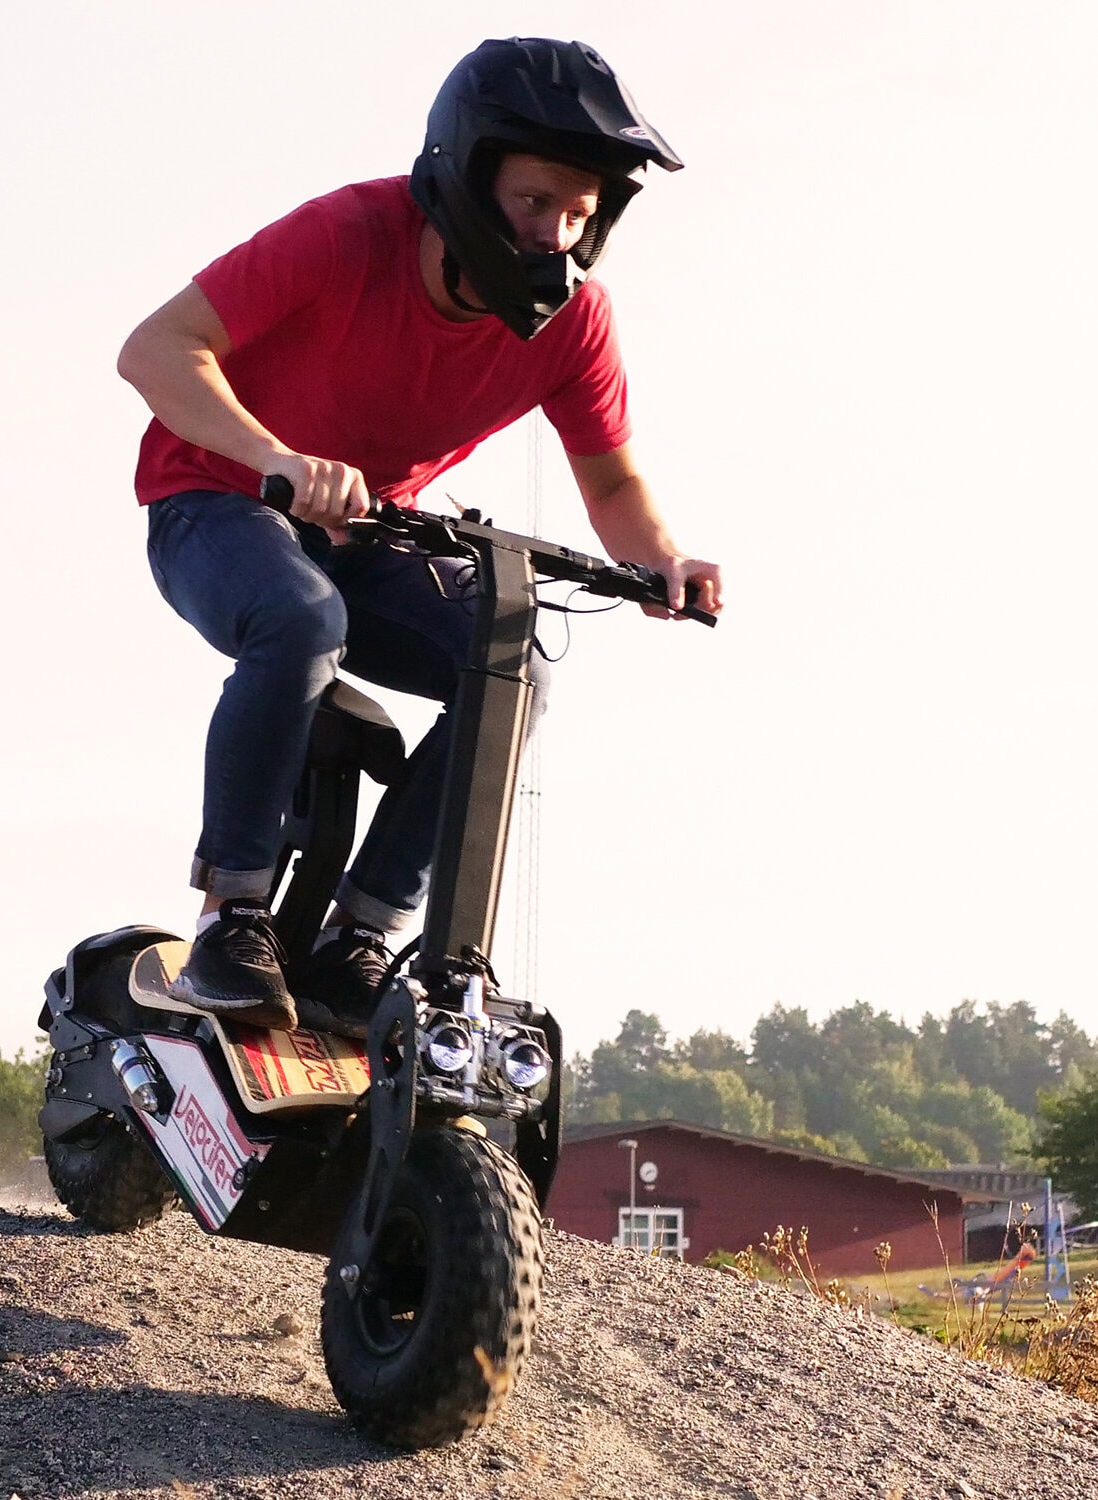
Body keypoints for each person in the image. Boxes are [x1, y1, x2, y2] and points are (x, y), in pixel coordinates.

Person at [117, 37, 722, 1039]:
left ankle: (357, 936)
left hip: (364, 534)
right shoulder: (350, 235)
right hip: (211, 503)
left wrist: (662, 558)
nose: (554, 236)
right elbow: (154, 350)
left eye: (579, 215)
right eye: (535, 204)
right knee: (302, 621)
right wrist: (276, 458)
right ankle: (234, 918)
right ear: (466, 175)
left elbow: (611, 479)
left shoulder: (572, 325)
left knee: (509, 667)